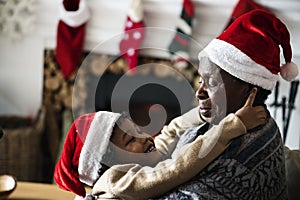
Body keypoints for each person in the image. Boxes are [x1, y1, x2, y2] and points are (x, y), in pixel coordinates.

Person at [91, 10, 298, 199]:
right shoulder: (232, 122)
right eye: (201, 80)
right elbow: (172, 154)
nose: (199, 93)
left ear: (249, 90)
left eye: (213, 82)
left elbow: (173, 166)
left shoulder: (235, 165)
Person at [54, 88, 265, 199]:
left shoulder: (147, 157)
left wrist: (205, 113)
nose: (144, 137)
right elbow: (174, 170)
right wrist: (231, 126)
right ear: (108, 165)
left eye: (137, 129)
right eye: (130, 140)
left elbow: (171, 131)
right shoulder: (114, 181)